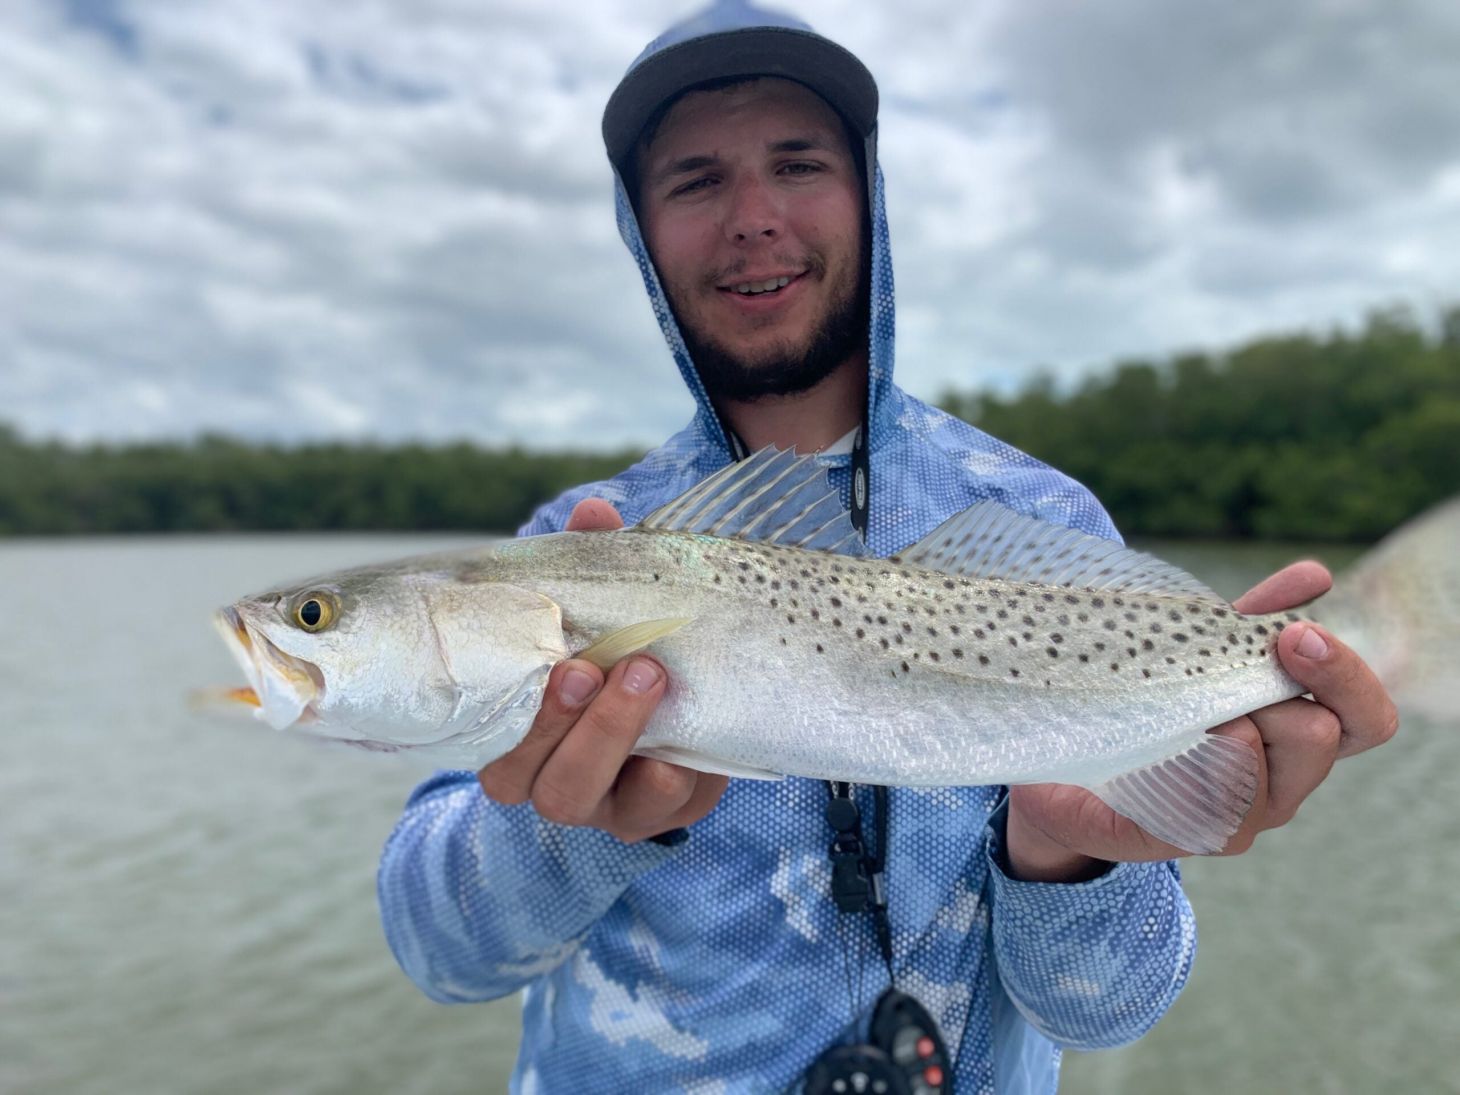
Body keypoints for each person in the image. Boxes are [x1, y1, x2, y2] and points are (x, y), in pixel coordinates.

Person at [377, 3, 1399, 1091]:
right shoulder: (574, 552)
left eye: (797, 162)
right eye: (693, 180)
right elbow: (440, 957)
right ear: (638, 230)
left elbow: (1107, 1012)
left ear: (869, 196)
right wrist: (575, 826)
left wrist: (1065, 850)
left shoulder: (1042, 518)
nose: (752, 216)